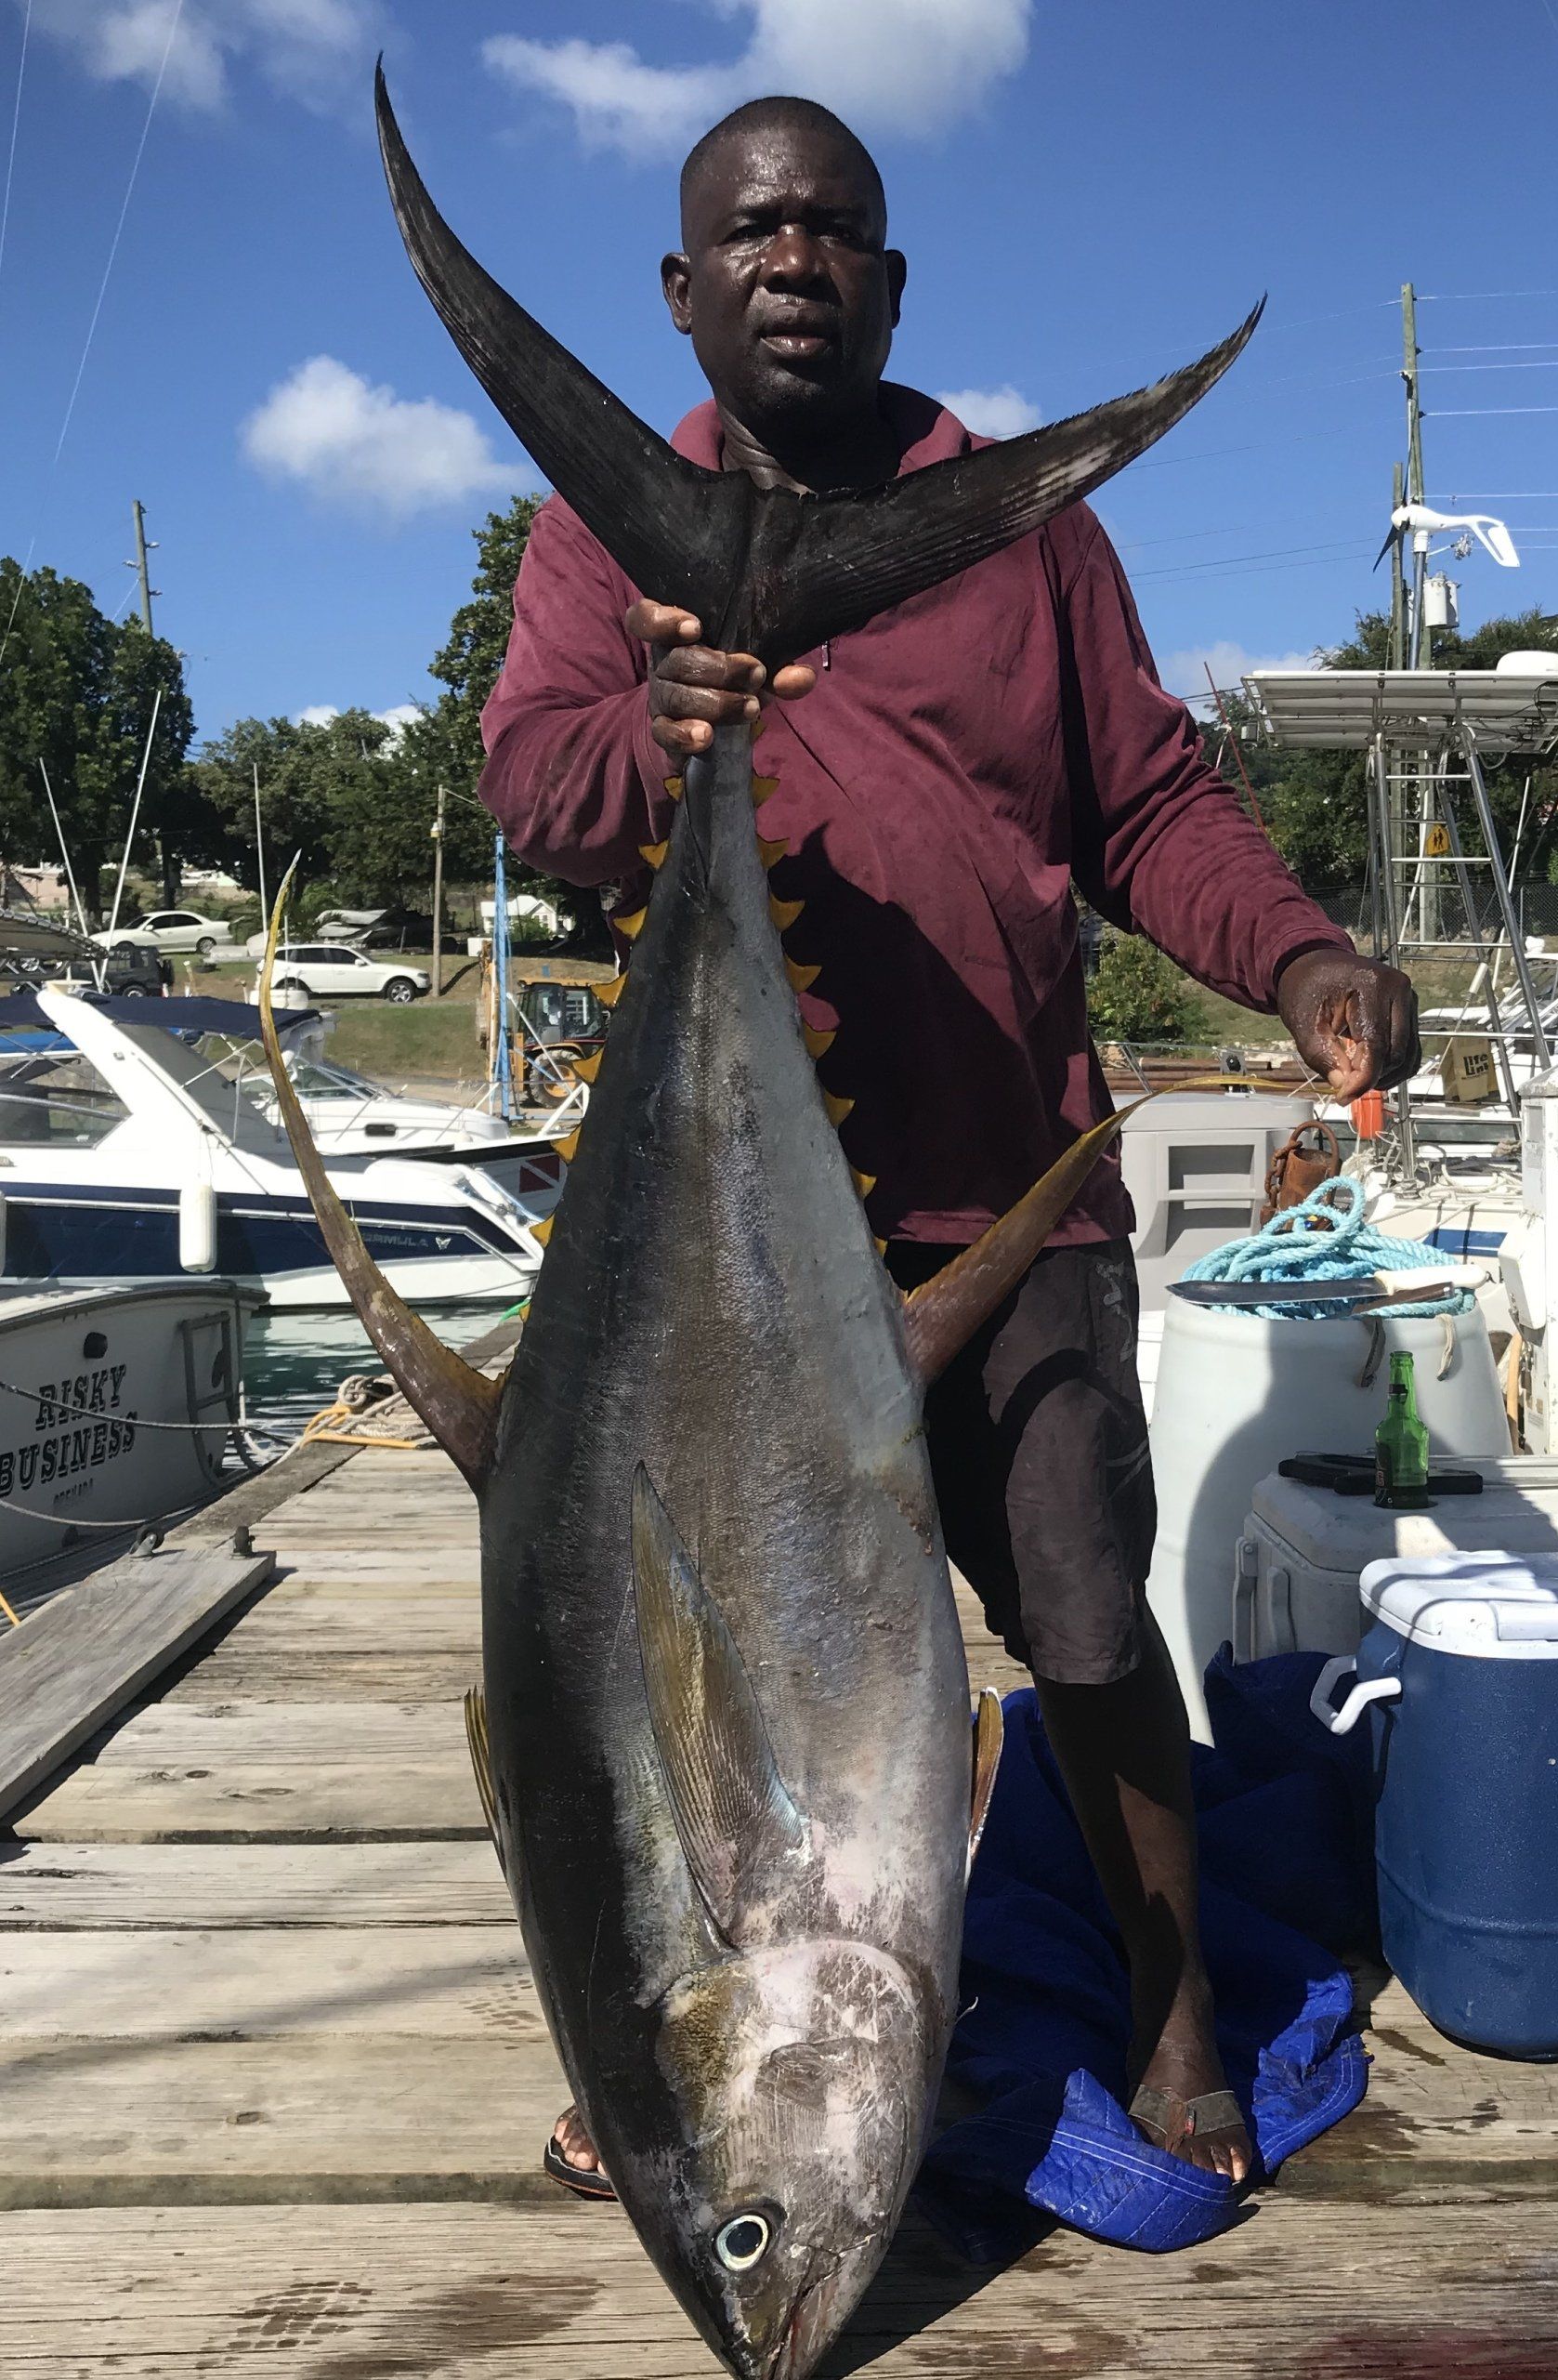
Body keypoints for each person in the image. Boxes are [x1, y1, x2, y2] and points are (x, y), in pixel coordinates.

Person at [478, 94, 1419, 2194]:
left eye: (832, 229)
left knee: (1084, 1612)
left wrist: (1299, 958)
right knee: (676, 1669)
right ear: (680, 287)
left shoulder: (1021, 533)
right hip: (713, 1250)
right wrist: (653, 734)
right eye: (751, 232)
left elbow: (1149, 799)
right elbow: (535, 785)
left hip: (1003, 1197)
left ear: (890, 283)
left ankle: (1172, 1999)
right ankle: (673, 2026)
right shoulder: (598, 537)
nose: (792, 260)